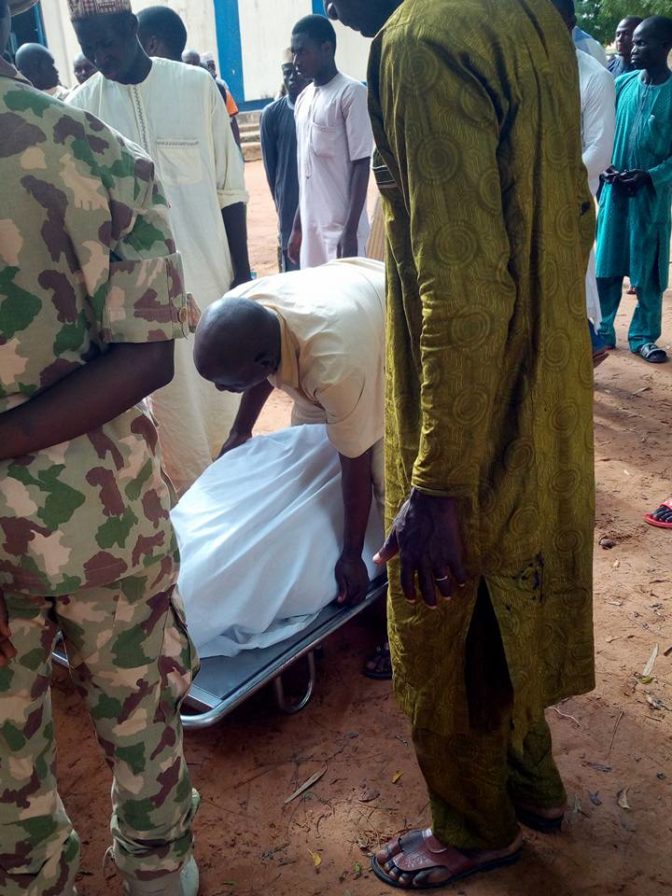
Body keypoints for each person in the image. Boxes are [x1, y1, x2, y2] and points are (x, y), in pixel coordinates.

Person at [326, 0, 595, 889]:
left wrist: (436, 485)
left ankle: (474, 827)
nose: (327, 5)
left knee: (440, 612)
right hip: (542, 389)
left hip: (467, 413)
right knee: (508, 592)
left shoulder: (419, 41)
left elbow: (463, 288)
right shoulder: (525, 17)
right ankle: (532, 783)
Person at [0, 0, 199, 893]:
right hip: (103, 519)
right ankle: (158, 870)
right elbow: (149, 352)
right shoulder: (92, 148)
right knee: (141, 704)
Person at [67, 0, 251, 495]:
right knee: (165, 413)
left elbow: (229, 188)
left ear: (133, 28)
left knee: (223, 399)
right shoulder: (80, 110)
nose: (101, 54)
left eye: (109, 41)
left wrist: (243, 272)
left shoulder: (196, 88)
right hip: (137, 299)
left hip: (210, 273)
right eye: (89, 47)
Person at [194, 259, 385, 608]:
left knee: (386, 482)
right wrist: (240, 430)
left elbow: (355, 462)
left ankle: (391, 586)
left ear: (266, 363)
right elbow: (261, 365)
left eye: (227, 382)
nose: (222, 390)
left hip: (384, 328)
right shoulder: (244, 304)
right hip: (341, 304)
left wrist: (351, 555)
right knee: (307, 460)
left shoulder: (335, 367)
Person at [596, 16, 672, 364]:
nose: (633, 48)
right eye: (633, 42)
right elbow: (603, 132)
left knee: (648, 270)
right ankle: (602, 330)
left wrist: (650, 176)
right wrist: (605, 164)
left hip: (650, 199)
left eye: (642, 43)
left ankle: (643, 337)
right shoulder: (622, 84)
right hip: (615, 192)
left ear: (664, 47)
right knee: (607, 265)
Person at [552, 0, 616, 366]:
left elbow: (599, 152)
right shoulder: (530, 73)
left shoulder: (594, 77)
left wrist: (548, 184)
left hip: (570, 202)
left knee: (571, 284)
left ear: (568, 23)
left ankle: (584, 351)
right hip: (527, 201)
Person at [288, 14, 373, 268]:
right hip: (311, 232)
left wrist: (349, 233)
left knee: (346, 302)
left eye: (303, 52)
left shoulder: (351, 93)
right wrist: (297, 227)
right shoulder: (303, 100)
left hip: (341, 230)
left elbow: (361, 164)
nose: (296, 61)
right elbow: (306, 171)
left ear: (326, 49)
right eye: (294, 53)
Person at [260, 51, 309, 272]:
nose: (291, 78)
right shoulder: (272, 114)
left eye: (296, 72)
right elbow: (271, 169)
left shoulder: (316, 108)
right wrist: (280, 201)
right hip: (289, 201)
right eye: (286, 73)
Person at [181, 45, 241, 146]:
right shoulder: (177, 93)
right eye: (187, 63)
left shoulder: (220, 89)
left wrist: (237, 147)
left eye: (195, 63)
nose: (191, 67)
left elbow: (232, 121)